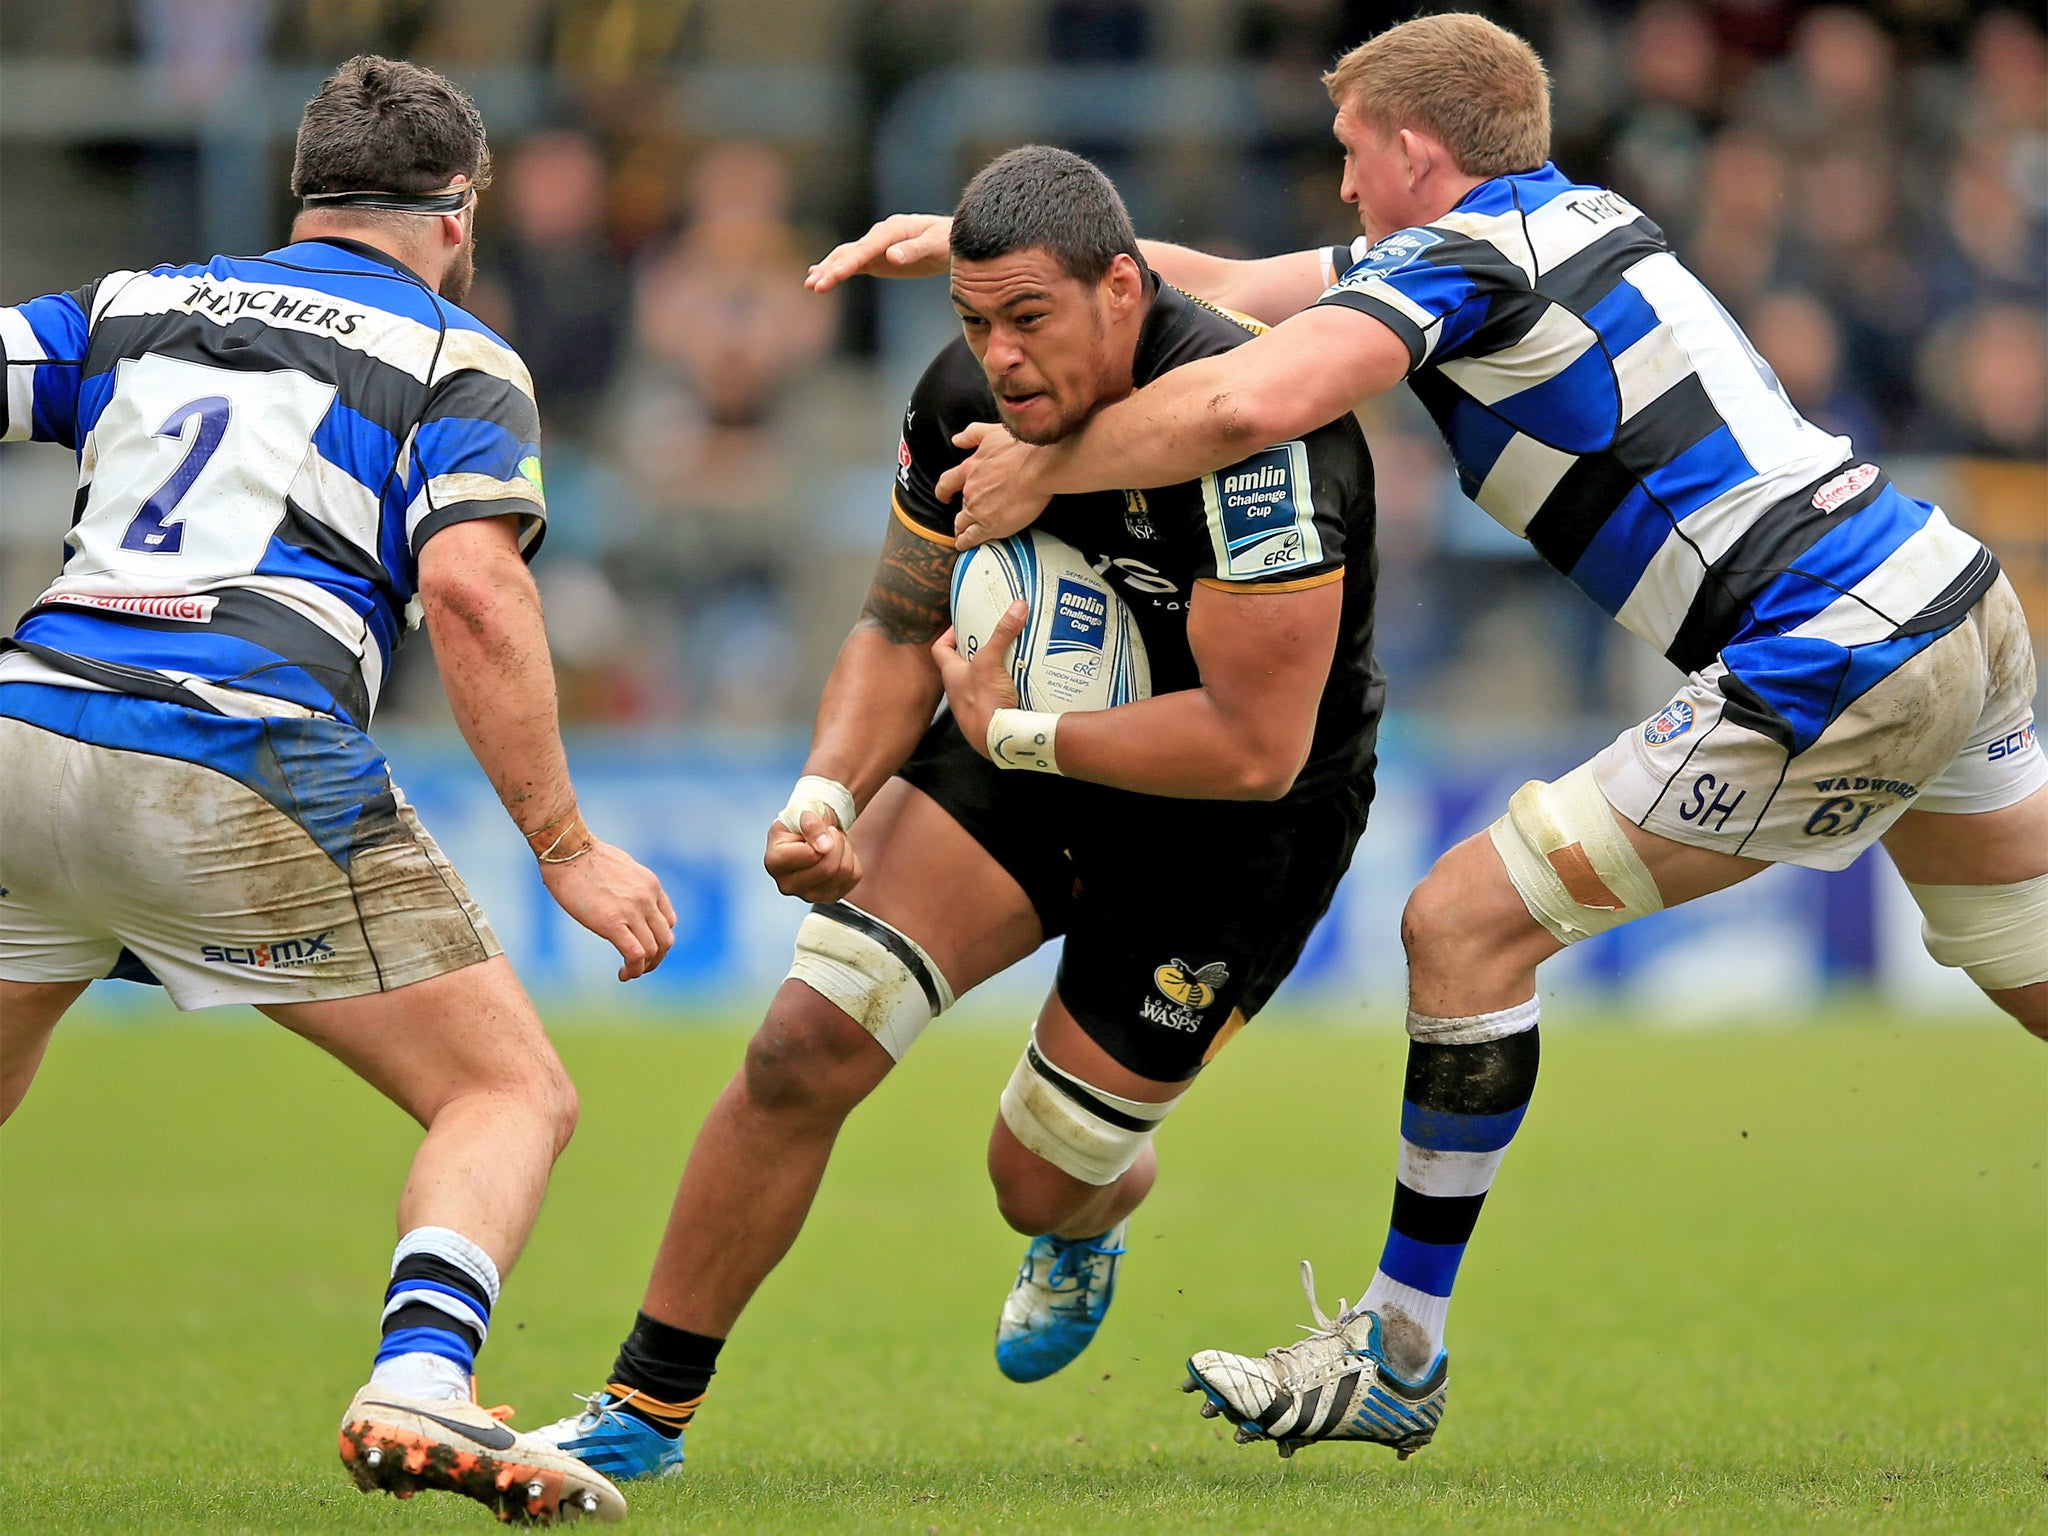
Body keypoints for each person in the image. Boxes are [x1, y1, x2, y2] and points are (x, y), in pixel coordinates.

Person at [810, 10, 2048, 1460]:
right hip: (1953, 597)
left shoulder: (1462, 261)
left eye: (1350, 155)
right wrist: (1004, 263)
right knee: (2033, 972)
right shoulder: (1564, 217)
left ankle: (1396, 1355)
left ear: (1414, 150)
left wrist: (1041, 465)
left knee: (1462, 930)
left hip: (1833, 647)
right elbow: (1244, 294)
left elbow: (1259, 393)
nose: (1339, 185)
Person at [530, 145, 1392, 1481]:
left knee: (1031, 1177)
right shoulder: (960, 406)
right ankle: (642, 1416)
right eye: (973, 322)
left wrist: (1012, 731)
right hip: (1020, 754)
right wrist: (825, 794)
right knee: (801, 1047)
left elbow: (1255, 747)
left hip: (1230, 830)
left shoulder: (1263, 436)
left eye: (1030, 319)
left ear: (1124, 288)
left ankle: (1091, 1211)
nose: (998, 358)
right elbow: (898, 621)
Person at [0, 55, 677, 1524]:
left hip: (26, 733)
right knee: (507, 1088)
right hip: (239, 746)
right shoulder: (457, 354)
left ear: (305, 192)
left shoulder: (133, 303)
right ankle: (422, 1380)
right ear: (459, 206)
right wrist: (562, 845)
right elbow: (474, 593)